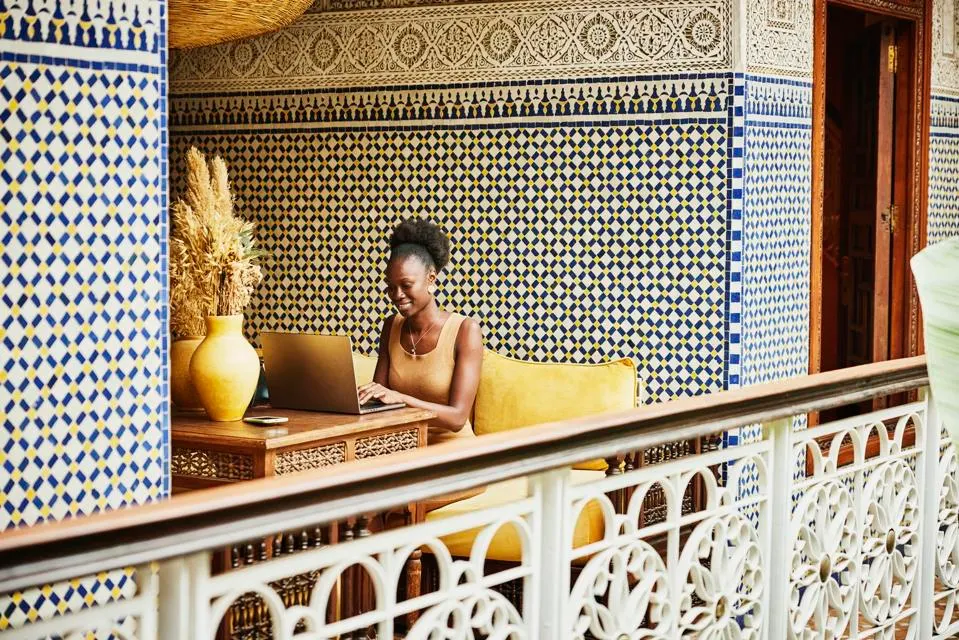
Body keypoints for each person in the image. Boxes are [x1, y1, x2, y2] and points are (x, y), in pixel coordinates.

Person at [357, 219, 483, 445]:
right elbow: (378, 399)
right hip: (404, 448)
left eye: (406, 285)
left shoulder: (465, 330)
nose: (397, 295)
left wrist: (400, 399)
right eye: (390, 287)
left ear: (431, 279)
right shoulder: (391, 326)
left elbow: (457, 417)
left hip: (454, 452)